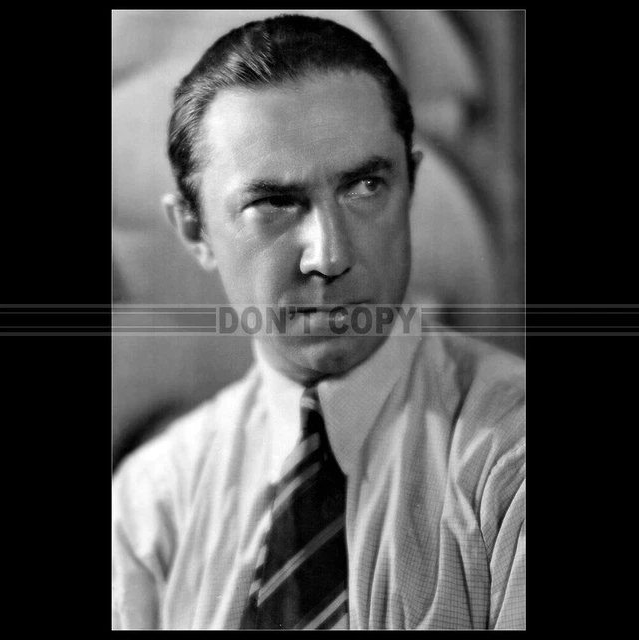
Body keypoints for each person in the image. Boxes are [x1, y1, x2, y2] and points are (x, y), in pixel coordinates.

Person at [112, 14, 525, 630]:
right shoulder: (152, 504)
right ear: (195, 231)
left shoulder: (509, 459)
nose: (329, 255)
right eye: (274, 203)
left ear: (410, 185)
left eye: (365, 186)